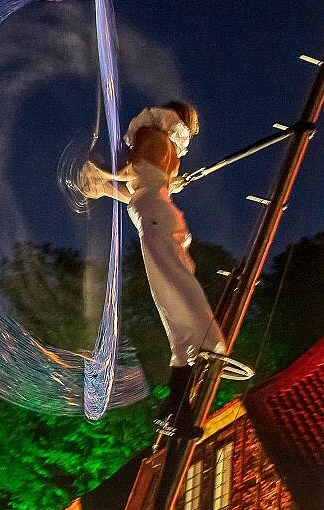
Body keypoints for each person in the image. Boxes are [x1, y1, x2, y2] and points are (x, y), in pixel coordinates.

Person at [80, 100, 229, 426]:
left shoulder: (152, 136)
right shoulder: (165, 148)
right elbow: (139, 190)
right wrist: (106, 186)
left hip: (157, 222)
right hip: (158, 218)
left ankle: (209, 342)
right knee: (171, 304)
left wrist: (101, 175)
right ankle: (178, 406)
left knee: (174, 293)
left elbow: (131, 175)